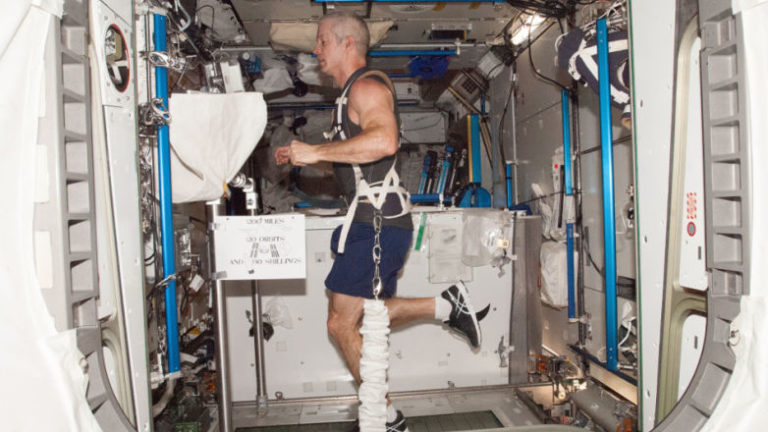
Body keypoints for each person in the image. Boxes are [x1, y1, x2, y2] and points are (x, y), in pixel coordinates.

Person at [275, 12, 489, 432]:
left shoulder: (367, 87)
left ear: (347, 44)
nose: (316, 50)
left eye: (322, 42)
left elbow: (384, 141)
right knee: (353, 317)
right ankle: (446, 306)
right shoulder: (347, 97)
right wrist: (308, 152)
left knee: (341, 322)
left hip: (378, 222)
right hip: (371, 221)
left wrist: (315, 154)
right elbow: (358, 157)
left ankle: (387, 416)